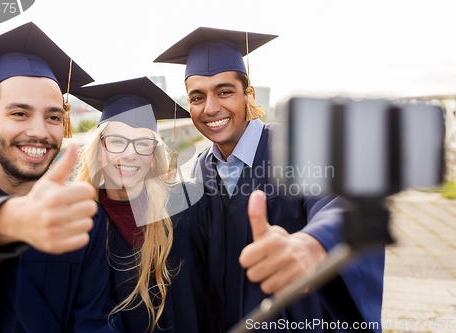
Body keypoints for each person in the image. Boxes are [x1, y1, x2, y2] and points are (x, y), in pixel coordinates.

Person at [155, 27, 385, 332]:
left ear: (249, 94)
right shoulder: (196, 171)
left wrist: (312, 244)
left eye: (224, 92)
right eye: (198, 97)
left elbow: (343, 204)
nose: (210, 108)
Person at [0, 22, 118, 332]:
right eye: (19, 113)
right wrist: (8, 219)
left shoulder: (82, 217)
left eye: (53, 117)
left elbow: (94, 321)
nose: (40, 132)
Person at [72, 77, 214, 333]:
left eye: (143, 143)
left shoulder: (186, 203)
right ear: (99, 150)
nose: (130, 153)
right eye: (116, 141)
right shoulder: (81, 219)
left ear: (153, 154)